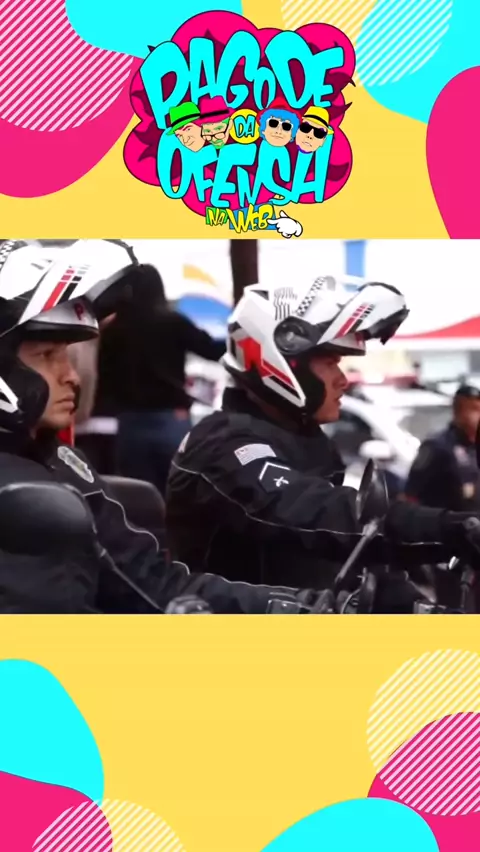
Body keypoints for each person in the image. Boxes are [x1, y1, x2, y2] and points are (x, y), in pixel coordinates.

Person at [0, 239, 334, 614]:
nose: (71, 375)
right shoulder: (173, 327)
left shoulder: (57, 456)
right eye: (47, 355)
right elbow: (215, 350)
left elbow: (147, 580)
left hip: (127, 425)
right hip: (165, 420)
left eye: (65, 355)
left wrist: (295, 607)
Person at [166, 277, 480, 603]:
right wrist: (449, 529)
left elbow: (341, 559)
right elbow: (318, 514)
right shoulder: (221, 445)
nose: (343, 380)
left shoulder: (306, 440)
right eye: (331, 363)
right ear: (281, 361)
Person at [94, 263, 225, 495]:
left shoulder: (114, 330)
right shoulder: (173, 322)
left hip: (130, 422)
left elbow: (103, 376)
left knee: (139, 496)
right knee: (181, 493)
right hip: (171, 417)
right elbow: (213, 351)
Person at [404, 384, 480, 511]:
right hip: (446, 519)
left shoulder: (474, 447)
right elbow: (411, 494)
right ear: (457, 411)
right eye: (473, 409)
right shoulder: (436, 446)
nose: (477, 415)